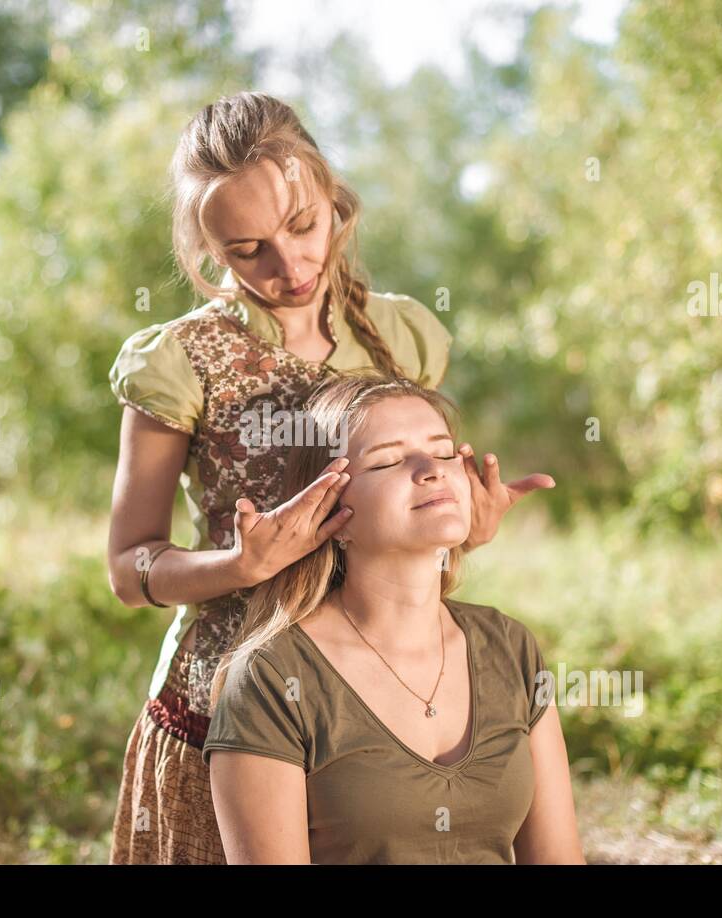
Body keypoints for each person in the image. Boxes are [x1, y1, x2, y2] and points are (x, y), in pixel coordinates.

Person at [106, 91, 554, 864]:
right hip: (225, 709)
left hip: (381, 698)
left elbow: (409, 518)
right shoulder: (179, 362)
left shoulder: (402, 336)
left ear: (332, 197)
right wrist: (239, 566)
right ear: (209, 248)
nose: (289, 265)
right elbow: (129, 567)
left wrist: (463, 533)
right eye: (247, 251)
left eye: (303, 225)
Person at [203, 372, 584, 863]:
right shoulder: (272, 677)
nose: (433, 469)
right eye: (388, 460)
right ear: (331, 513)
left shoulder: (509, 645)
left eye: (445, 452)